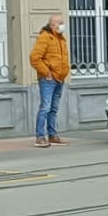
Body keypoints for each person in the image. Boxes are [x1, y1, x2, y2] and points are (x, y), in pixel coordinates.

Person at [30, 12, 69, 146]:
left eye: (62, 23)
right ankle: (40, 136)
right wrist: (46, 73)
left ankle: (52, 135)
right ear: (52, 25)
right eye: (60, 23)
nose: (62, 25)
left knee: (53, 109)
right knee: (45, 108)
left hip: (59, 78)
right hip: (48, 79)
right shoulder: (45, 37)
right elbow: (34, 58)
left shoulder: (60, 38)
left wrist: (63, 74)